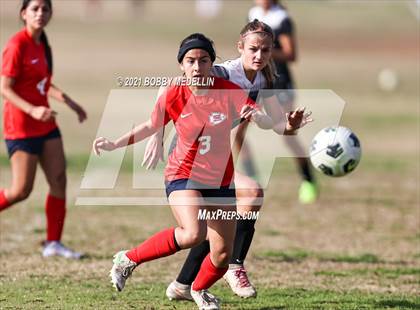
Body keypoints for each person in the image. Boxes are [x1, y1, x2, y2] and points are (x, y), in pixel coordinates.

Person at [93, 33, 306, 310]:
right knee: (193, 233)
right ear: (181, 65)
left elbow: (262, 119)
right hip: (182, 173)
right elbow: (150, 125)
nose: (197, 67)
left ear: (211, 63)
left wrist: (288, 126)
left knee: (221, 255)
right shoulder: (174, 93)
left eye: (203, 60)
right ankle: (128, 259)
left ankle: (198, 289)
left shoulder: (228, 91)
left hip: (220, 179)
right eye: (190, 61)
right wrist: (114, 144)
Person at [0, 0, 87, 259]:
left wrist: (69, 101)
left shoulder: (42, 44)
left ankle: (53, 243)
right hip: (21, 127)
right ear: (23, 14)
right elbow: (5, 88)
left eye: (45, 9)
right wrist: (32, 110)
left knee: (59, 180)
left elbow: (43, 84)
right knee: (20, 191)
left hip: (46, 125)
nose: (41, 13)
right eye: (35, 9)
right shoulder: (17, 45)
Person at [249, 0, 318, 204]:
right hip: (255, 81)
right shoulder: (252, 13)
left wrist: (263, 51)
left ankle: (308, 180)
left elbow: (291, 54)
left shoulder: (282, 19)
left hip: (280, 82)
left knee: (287, 133)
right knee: (237, 133)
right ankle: (250, 182)